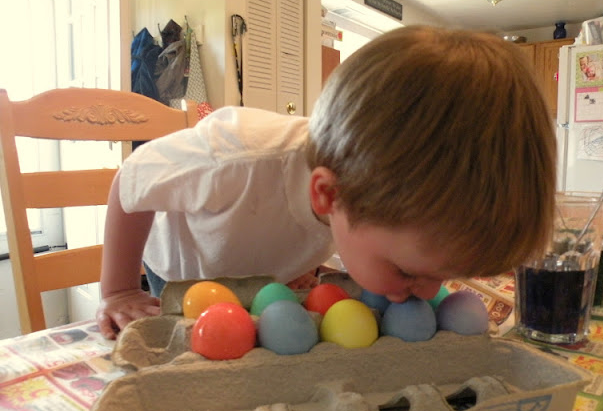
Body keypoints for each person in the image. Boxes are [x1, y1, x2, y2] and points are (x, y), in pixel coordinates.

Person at [96, 25, 557, 339]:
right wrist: (119, 289)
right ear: (327, 195)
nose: (426, 292)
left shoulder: (361, 185)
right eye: (408, 272)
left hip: (258, 265)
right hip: (185, 268)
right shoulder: (236, 158)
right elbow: (130, 181)